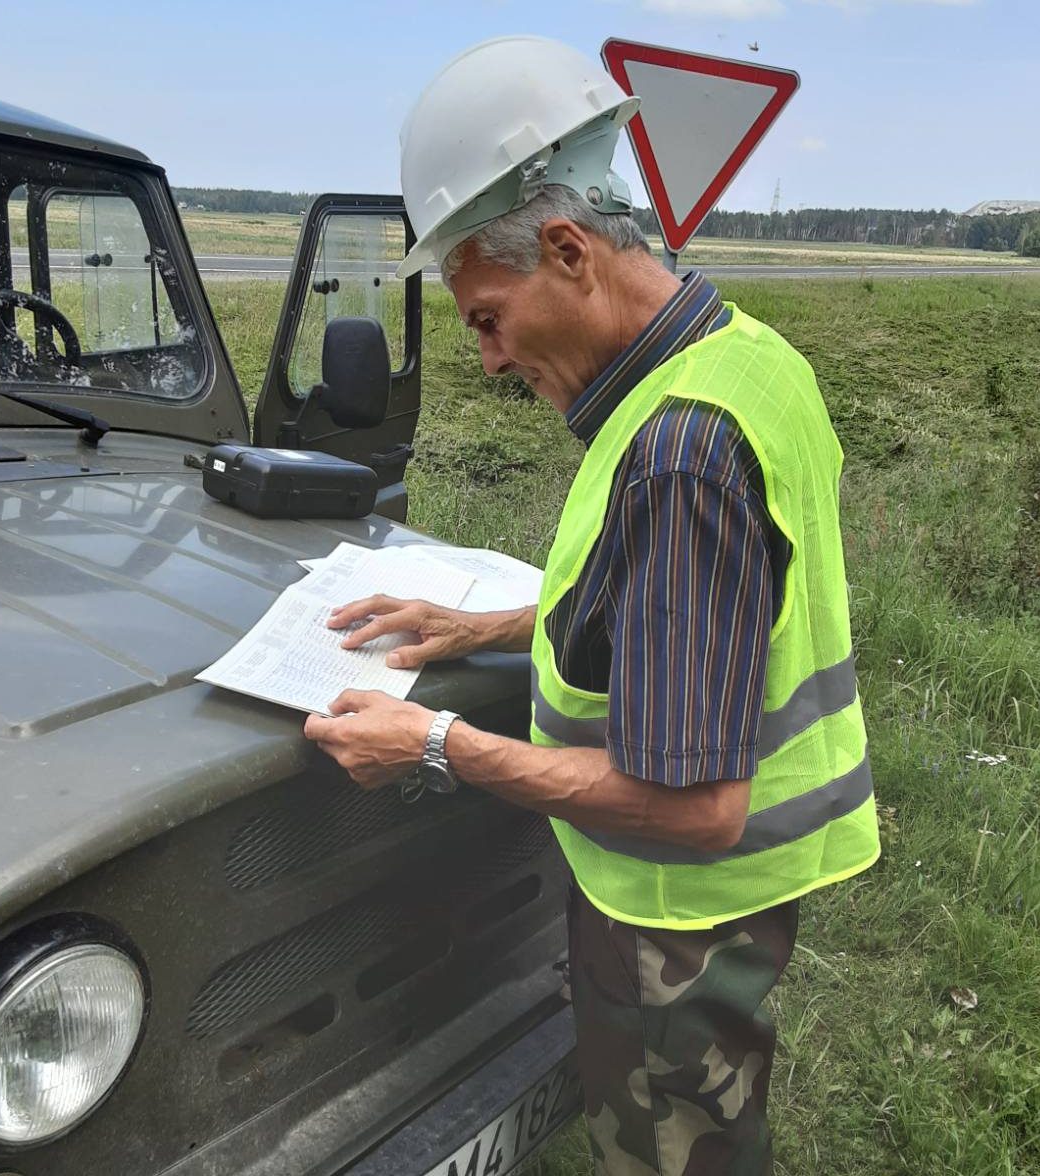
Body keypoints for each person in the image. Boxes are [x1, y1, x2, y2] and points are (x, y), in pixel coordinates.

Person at [304, 36, 881, 1176]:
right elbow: (692, 606)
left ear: (567, 250)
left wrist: (437, 744)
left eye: (484, 315)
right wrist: (483, 628)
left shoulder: (678, 453)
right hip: (731, 915)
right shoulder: (744, 357)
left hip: (677, 922)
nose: (486, 357)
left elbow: (697, 811)